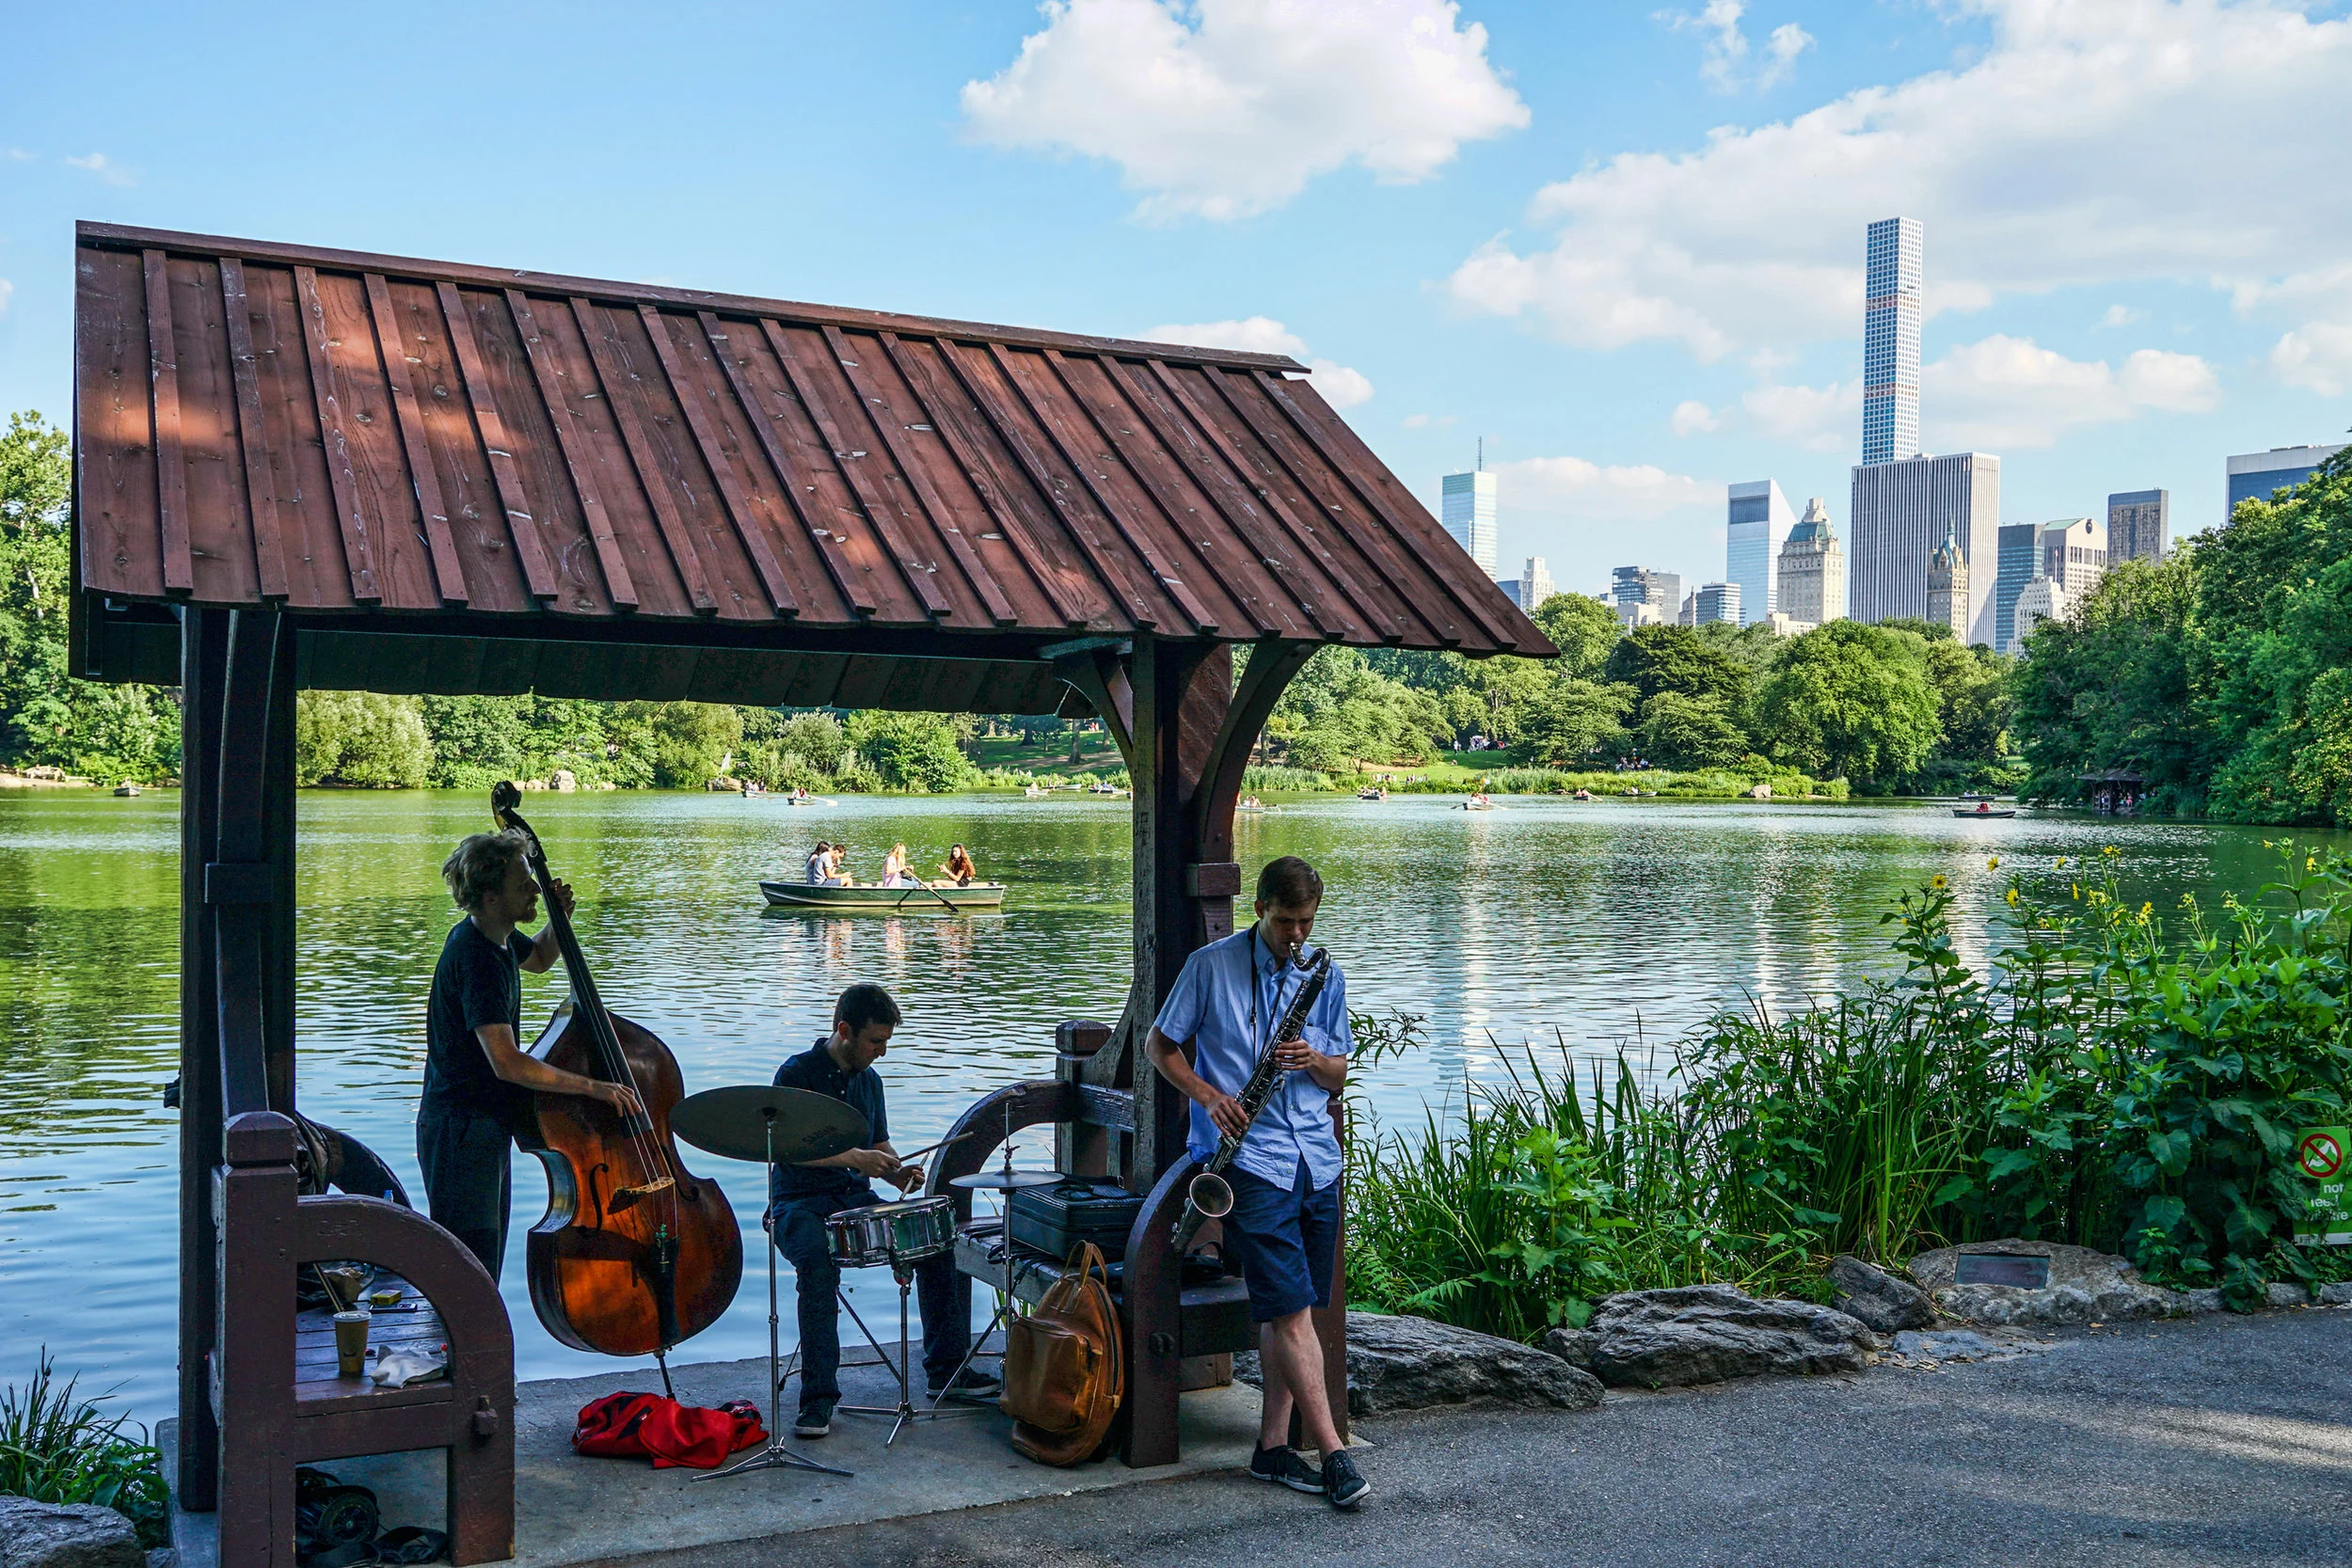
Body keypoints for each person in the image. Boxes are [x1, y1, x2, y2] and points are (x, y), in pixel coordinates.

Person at [1144, 855, 1368, 1510]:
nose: (1296, 935)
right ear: (1259, 909)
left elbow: (1339, 1075)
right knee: (1294, 1310)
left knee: (1286, 1305)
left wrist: (1316, 1060)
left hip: (1315, 1158)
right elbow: (1161, 1046)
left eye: (1306, 922)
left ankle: (1271, 1447)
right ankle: (1331, 1453)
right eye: (1284, 921)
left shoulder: (1324, 975)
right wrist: (1208, 1095)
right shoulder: (1210, 967)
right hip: (1250, 1157)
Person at [769, 984, 997, 1437]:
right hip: (798, 1202)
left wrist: (895, 1172)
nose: (882, 1052)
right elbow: (789, 1152)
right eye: (876, 1042)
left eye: (887, 1042)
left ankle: (946, 1373)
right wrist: (858, 1159)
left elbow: (877, 1144)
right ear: (845, 1030)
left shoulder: (870, 1081)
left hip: (855, 1199)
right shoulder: (797, 1074)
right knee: (817, 1265)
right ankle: (817, 1401)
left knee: (935, 1246)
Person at [419, 832, 642, 1280]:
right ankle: (458, 1350)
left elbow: (540, 957)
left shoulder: (496, 937)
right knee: (470, 1268)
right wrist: (594, 1087)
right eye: (525, 885)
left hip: (480, 1125)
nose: (536, 889)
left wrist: (559, 918)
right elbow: (507, 1061)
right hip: (462, 1130)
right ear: (491, 896)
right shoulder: (476, 957)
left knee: (480, 1263)